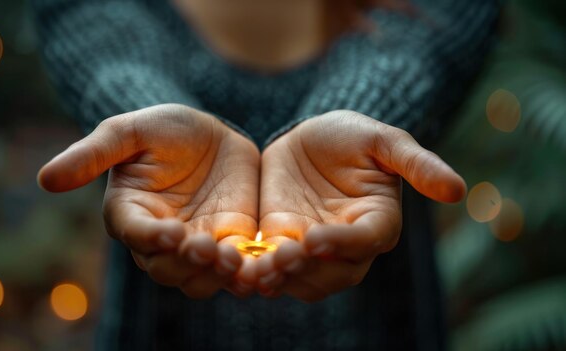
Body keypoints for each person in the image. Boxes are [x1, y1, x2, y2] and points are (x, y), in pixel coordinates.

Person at [33, 0, 500, 349]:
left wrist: (364, 109)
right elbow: (90, 21)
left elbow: (435, 27)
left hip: (383, 326)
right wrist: (141, 108)